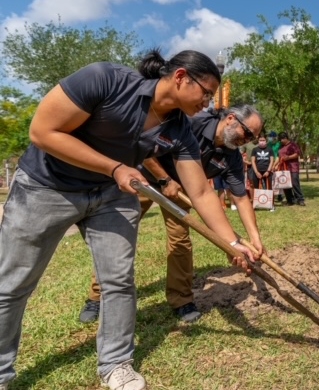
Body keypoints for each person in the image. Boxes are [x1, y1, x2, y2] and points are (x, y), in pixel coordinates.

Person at [0, 49, 256, 390]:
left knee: (119, 280)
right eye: (206, 93)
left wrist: (233, 242)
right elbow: (43, 132)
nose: (209, 103)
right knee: (13, 284)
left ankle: (116, 364)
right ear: (181, 77)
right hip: (47, 187)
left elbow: (202, 193)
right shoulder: (105, 80)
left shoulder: (180, 130)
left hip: (111, 195)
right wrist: (114, 167)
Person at [78, 105, 266, 324]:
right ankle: (97, 297)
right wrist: (164, 179)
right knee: (117, 239)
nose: (249, 140)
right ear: (231, 119)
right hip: (142, 180)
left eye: (253, 137)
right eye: (248, 133)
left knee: (180, 243)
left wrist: (254, 237)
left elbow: (241, 197)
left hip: (181, 191)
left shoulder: (231, 156)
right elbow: (143, 145)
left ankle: (182, 300)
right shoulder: (192, 122)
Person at [277, 132, 305, 206]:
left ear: (286, 138)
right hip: (283, 168)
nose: (281, 141)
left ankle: (300, 199)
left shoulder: (293, 145)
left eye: (282, 139)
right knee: (285, 184)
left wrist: (288, 157)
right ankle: (290, 200)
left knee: (295, 183)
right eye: (280, 139)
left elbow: (297, 154)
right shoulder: (280, 146)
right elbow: (279, 156)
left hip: (293, 167)